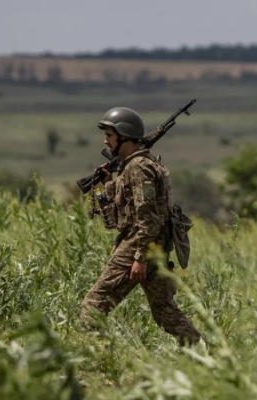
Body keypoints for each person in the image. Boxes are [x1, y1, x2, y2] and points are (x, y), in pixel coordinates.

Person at [80, 107, 202, 346]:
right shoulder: (134, 166)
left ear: (123, 135)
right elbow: (115, 217)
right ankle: (199, 350)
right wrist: (106, 185)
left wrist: (139, 257)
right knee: (164, 311)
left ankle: (95, 359)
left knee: (95, 304)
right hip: (152, 246)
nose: (105, 140)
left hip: (139, 244)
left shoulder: (138, 167)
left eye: (109, 134)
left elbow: (148, 217)